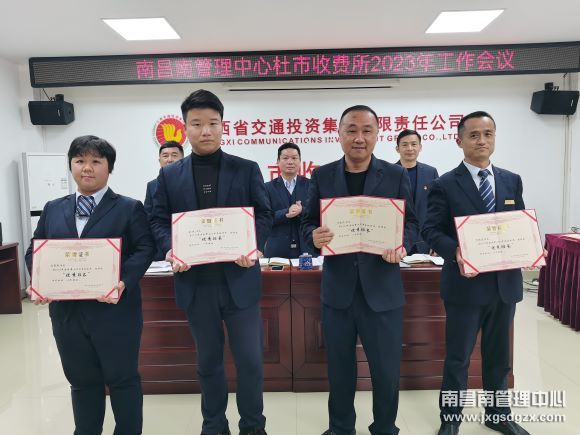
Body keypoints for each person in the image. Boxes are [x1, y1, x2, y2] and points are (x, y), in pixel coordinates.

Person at [150, 89, 272, 435]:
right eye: (196, 124)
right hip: (195, 283)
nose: (205, 131)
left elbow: (264, 214)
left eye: (213, 123)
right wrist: (170, 249)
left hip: (240, 279)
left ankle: (253, 426)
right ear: (184, 128)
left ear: (222, 125)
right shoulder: (169, 176)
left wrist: (253, 245)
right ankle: (214, 425)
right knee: (208, 363)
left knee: (250, 361)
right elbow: (158, 220)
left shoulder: (246, 169)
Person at [25, 135, 155, 435]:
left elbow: (145, 248)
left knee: (123, 380)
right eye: (80, 160)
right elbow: (36, 248)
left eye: (96, 161)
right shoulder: (53, 208)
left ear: (109, 167)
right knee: (82, 382)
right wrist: (40, 280)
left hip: (115, 313)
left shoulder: (129, 207)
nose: (87, 167)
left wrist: (123, 280)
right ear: (70, 165)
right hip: (67, 315)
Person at [301, 105, 419, 435]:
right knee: (339, 369)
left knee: (385, 370)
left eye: (367, 130)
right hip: (338, 291)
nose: (359, 137)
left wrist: (402, 244)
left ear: (377, 135)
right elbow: (308, 223)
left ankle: (385, 427)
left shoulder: (395, 175)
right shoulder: (323, 176)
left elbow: (411, 223)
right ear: (339, 134)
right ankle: (340, 428)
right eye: (351, 130)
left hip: (382, 290)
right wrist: (313, 236)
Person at [422, 111, 530, 435]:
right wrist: (455, 250)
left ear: (494, 138)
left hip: (504, 285)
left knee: (499, 357)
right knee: (458, 358)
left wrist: (532, 247)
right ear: (459, 141)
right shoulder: (443, 184)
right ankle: (451, 418)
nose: (481, 140)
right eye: (473, 135)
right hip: (464, 286)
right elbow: (431, 229)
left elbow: (519, 223)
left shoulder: (511, 180)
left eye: (488, 134)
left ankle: (498, 415)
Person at [263, 142, 312, 258]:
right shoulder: (267, 188)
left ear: (300, 161)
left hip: (306, 248)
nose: (290, 162)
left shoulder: (311, 185)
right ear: (278, 161)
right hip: (276, 250)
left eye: (294, 158)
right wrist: (285, 212)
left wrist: (302, 210)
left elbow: (318, 214)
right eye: (285, 158)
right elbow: (264, 218)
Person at [395, 129, 439, 254]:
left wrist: (437, 242)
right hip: (397, 244)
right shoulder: (389, 173)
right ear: (397, 149)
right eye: (404, 145)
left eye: (414, 144)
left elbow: (437, 210)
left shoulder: (431, 172)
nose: (410, 148)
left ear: (420, 147)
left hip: (425, 243)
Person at [144, 141, 184, 260]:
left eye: (174, 155)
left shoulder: (192, 182)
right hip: (162, 250)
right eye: (165, 156)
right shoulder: (152, 186)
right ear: (160, 160)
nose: (169, 159)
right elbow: (149, 219)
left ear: (183, 159)